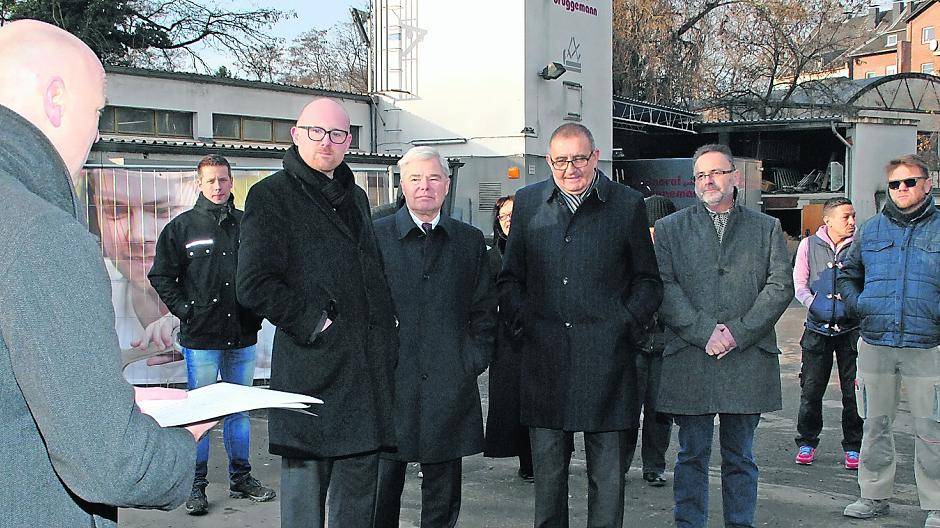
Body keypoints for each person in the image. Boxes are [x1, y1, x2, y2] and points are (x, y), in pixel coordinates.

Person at [0, 19, 215, 527]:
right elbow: (111, 464)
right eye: (96, 111)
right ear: (56, 99)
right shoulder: (39, 232)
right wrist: (180, 442)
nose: (96, 133)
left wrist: (103, 397)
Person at [236, 97, 398, 528]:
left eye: (338, 134)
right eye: (317, 132)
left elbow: (369, 271)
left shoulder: (356, 196)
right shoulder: (270, 195)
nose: (327, 141)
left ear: (349, 141)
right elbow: (253, 284)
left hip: (363, 373)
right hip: (311, 370)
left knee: (358, 500)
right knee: (304, 505)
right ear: (296, 135)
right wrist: (315, 323)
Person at [499, 123, 663, 527]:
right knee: (548, 483)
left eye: (578, 159)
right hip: (544, 361)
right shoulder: (528, 202)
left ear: (595, 157)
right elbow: (510, 278)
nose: (570, 168)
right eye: (560, 160)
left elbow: (648, 280)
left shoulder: (626, 204)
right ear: (548, 161)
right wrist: (526, 323)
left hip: (608, 363)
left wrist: (624, 324)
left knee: (607, 481)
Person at [654, 143, 793, 528]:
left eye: (716, 172)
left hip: (746, 358)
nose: (708, 181)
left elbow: (780, 285)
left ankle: (740, 523)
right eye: (701, 175)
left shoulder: (766, 228)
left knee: (740, 457)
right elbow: (663, 286)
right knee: (691, 456)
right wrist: (703, 331)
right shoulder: (669, 229)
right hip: (691, 358)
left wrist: (738, 332)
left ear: (735, 177)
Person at [373, 146, 496, 527]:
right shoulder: (376, 237)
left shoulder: (469, 241)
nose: (424, 186)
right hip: (391, 383)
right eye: (415, 178)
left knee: (443, 492)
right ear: (402, 184)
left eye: (433, 178)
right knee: (381, 490)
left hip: (449, 383)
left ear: (446, 184)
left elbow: (484, 310)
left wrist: (471, 360)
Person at [148, 154, 273, 514]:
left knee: (238, 412)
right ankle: (196, 485)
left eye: (223, 179)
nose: (218, 187)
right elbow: (161, 276)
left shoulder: (248, 224)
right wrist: (187, 311)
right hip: (202, 339)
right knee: (200, 415)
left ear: (231, 181)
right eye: (211, 181)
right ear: (199, 183)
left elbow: (265, 272)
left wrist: (255, 312)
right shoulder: (182, 228)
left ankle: (241, 478)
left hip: (242, 336)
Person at [838, 154, 940, 528]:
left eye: (909, 181)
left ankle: (936, 503)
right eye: (894, 184)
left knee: (931, 428)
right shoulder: (871, 230)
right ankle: (874, 495)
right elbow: (848, 275)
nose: (901, 189)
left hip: (929, 344)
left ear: (928, 184)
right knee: (875, 424)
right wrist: (861, 305)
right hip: (876, 342)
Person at [87, 167, 199, 382]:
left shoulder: (257, 307)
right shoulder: (83, 295)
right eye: (115, 211)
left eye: (163, 210)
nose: (139, 235)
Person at [791, 197, 862, 469]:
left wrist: (855, 306)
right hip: (816, 330)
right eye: (846, 217)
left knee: (852, 392)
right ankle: (807, 442)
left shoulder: (860, 245)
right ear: (828, 220)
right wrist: (814, 304)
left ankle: (854, 447)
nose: (852, 222)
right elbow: (799, 283)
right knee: (811, 389)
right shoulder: (808, 245)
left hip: (851, 330)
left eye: (853, 216)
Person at [623, 194, 677, 487]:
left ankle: (654, 466)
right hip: (633, 343)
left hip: (666, 344)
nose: (654, 234)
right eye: (649, 228)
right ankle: (618, 465)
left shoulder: (679, 258)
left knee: (660, 411)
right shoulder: (628, 256)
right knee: (626, 410)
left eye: (659, 228)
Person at [483, 194, 535, 482]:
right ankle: (523, 457)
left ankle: (534, 459)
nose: (508, 221)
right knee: (511, 402)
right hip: (504, 341)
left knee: (536, 400)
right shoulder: (491, 257)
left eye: (514, 215)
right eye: (503, 216)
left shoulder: (536, 252)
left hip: (535, 337)